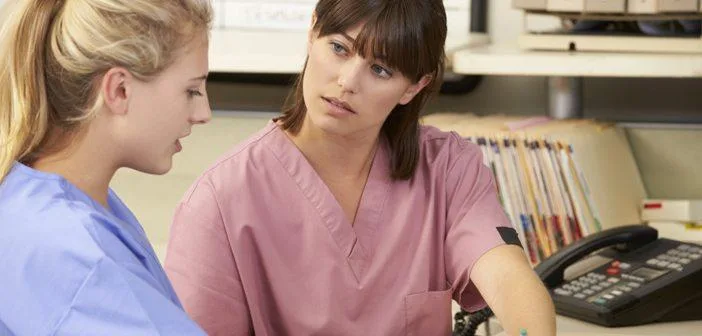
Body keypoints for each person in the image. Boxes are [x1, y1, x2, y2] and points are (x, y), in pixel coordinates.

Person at [165, 0, 557, 335]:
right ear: (312, 32)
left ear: (413, 88)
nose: (347, 81)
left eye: (380, 70)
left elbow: (508, 280)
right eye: (338, 48)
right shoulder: (220, 201)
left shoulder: (448, 169)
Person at [0, 0, 212, 334]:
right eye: (191, 91)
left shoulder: (32, 195)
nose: (203, 113)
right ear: (119, 89)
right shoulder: (77, 257)